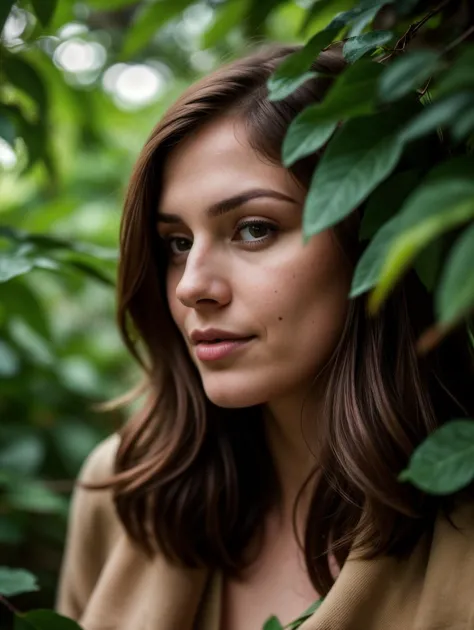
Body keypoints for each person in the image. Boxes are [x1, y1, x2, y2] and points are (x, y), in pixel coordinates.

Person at [56, 44, 474, 630]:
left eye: (254, 229)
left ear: (375, 238)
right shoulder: (125, 490)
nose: (191, 286)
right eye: (177, 243)